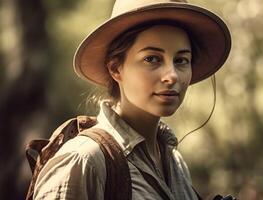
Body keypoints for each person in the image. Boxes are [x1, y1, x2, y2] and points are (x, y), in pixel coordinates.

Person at [33, 0, 231, 199]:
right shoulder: (84, 161)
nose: (172, 76)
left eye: (181, 60)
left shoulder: (175, 163)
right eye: (152, 59)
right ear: (115, 68)